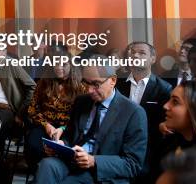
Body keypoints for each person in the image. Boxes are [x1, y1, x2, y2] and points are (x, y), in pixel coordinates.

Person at [35, 55, 147, 184]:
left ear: (113, 80)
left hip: (101, 172)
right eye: (86, 82)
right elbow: (69, 137)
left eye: (96, 84)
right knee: (46, 165)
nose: (89, 90)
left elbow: (133, 164)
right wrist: (61, 145)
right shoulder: (81, 101)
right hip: (72, 161)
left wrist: (93, 160)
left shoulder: (134, 113)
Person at [116, 42, 172, 181]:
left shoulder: (164, 88)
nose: (135, 55)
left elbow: (164, 122)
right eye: (132, 52)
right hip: (117, 142)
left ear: (152, 59)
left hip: (148, 147)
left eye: (141, 53)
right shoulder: (117, 82)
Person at [24, 50, 84, 170]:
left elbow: (80, 116)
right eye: (56, 63)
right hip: (44, 124)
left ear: (71, 66)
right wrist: (47, 125)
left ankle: (55, 173)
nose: (59, 67)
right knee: (34, 145)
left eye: (63, 64)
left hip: (68, 128)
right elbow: (32, 109)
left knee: (65, 150)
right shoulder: (44, 82)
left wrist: (62, 129)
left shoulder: (80, 88)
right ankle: (39, 174)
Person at [0, 37, 36, 157]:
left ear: (4, 52)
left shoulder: (12, 64)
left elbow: (32, 86)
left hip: (7, 108)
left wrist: (21, 112)